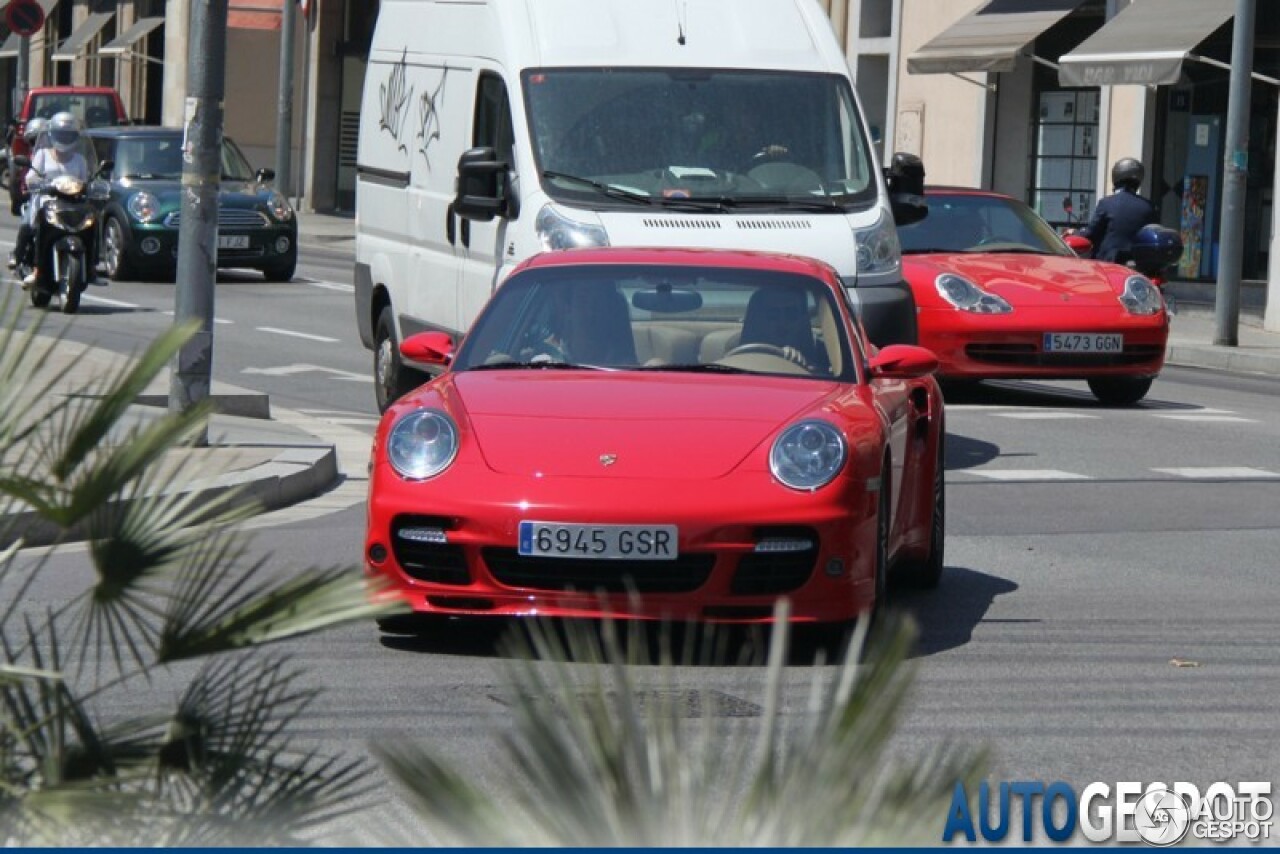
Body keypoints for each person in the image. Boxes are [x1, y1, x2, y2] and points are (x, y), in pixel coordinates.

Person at [14, 112, 90, 288]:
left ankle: (91, 267)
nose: (64, 138)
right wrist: (36, 183)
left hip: (72, 203)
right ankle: (31, 267)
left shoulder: (80, 160)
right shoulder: (42, 154)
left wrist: (92, 186)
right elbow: (31, 176)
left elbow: (86, 181)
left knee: (91, 221)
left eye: (68, 135)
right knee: (29, 225)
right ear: (52, 135)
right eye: (61, 134)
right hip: (46, 200)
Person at [1074, 157, 1158, 264]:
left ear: (1116, 176)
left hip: (1107, 265)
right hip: (1138, 266)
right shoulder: (1149, 207)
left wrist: (1074, 233)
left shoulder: (1106, 203)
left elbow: (1090, 234)